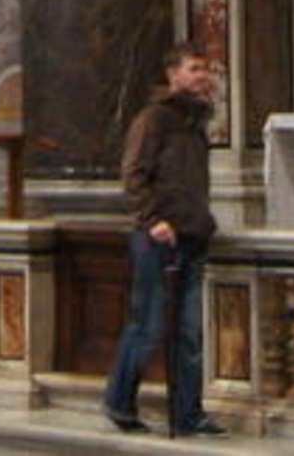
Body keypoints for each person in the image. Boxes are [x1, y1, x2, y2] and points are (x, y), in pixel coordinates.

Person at [103, 45, 226, 438]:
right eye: (194, 68)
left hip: (191, 235)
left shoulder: (195, 122)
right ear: (173, 75)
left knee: (189, 332)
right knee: (149, 325)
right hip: (157, 238)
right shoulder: (154, 118)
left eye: (205, 69)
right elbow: (134, 175)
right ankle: (119, 400)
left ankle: (187, 413)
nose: (202, 75)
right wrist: (153, 220)